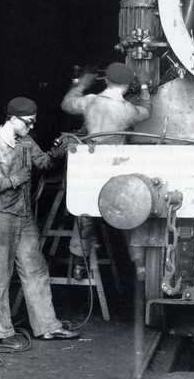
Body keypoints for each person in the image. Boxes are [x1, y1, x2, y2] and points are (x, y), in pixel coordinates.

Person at [0, 97, 79, 348]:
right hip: (0, 218)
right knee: (0, 275)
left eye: (33, 123)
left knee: (36, 269)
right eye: (28, 122)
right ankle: (1, 332)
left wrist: (58, 152)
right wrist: (12, 180)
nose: (31, 127)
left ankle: (47, 326)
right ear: (12, 119)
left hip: (24, 215)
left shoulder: (26, 141)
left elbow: (44, 163)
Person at [60, 61, 151, 279]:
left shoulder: (90, 101)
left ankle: (79, 264)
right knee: (132, 210)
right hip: (115, 165)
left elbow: (66, 104)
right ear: (127, 86)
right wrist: (144, 86)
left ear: (107, 80)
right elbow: (147, 112)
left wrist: (82, 84)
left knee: (85, 212)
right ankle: (139, 265)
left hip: (91, 164)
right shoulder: (127, 109)